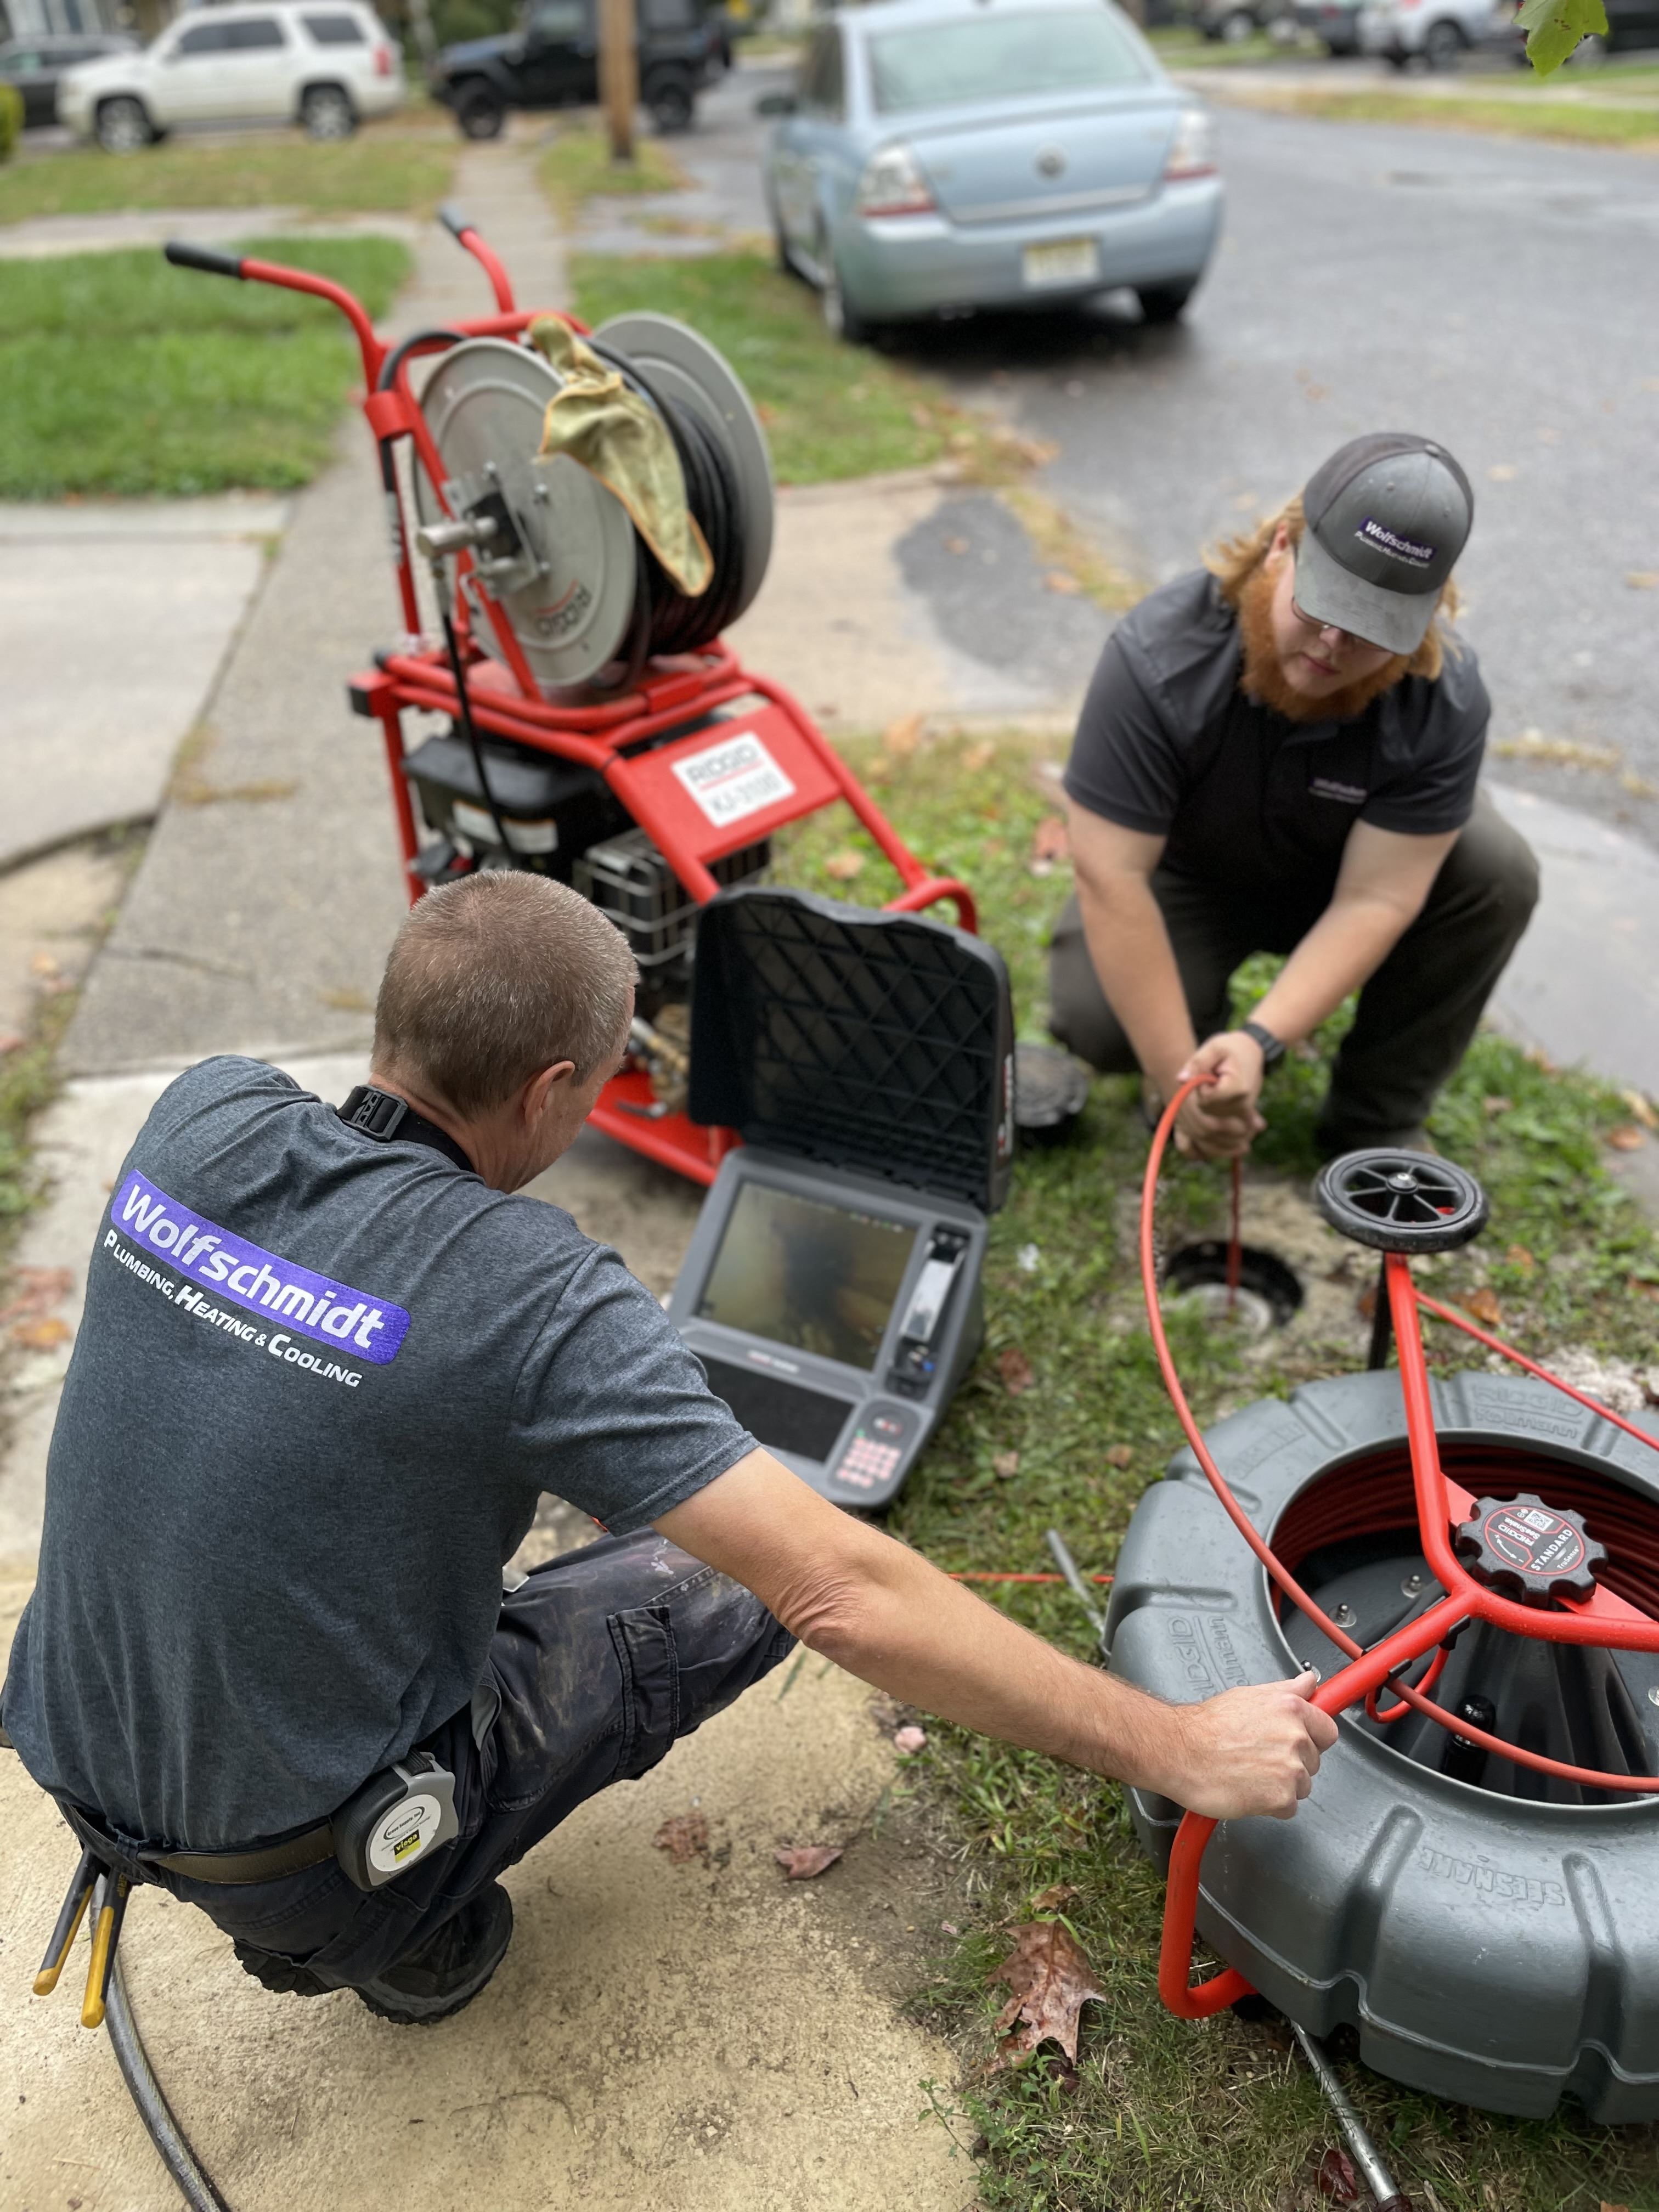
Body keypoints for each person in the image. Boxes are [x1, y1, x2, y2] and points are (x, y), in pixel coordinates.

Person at [1, 872, 1334, 2025]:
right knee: (739, 1578)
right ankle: (389, 1924)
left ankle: (320, 1892)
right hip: (307, 1866)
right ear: (552, 1090)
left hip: (68, 1744)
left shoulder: (206, 1112)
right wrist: (1174, 1744)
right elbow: (841, 1591)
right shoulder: (527, 1290)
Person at [1049, 433, 1539, 1163]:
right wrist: (1184, 1081)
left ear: (1425, 615)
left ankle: (1375, 1121)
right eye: (1321, 605)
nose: (1333, 645)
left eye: (1372, 630)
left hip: (1347, 878)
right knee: (1099, 1018)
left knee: (1496, 870)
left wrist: (1260, 1038)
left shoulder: (1445, 701)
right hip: (1193, 879)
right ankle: (1195, 1043)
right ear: (1282, 547)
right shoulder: (1157, 659)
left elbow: (1376, 899)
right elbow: (1111, 877)